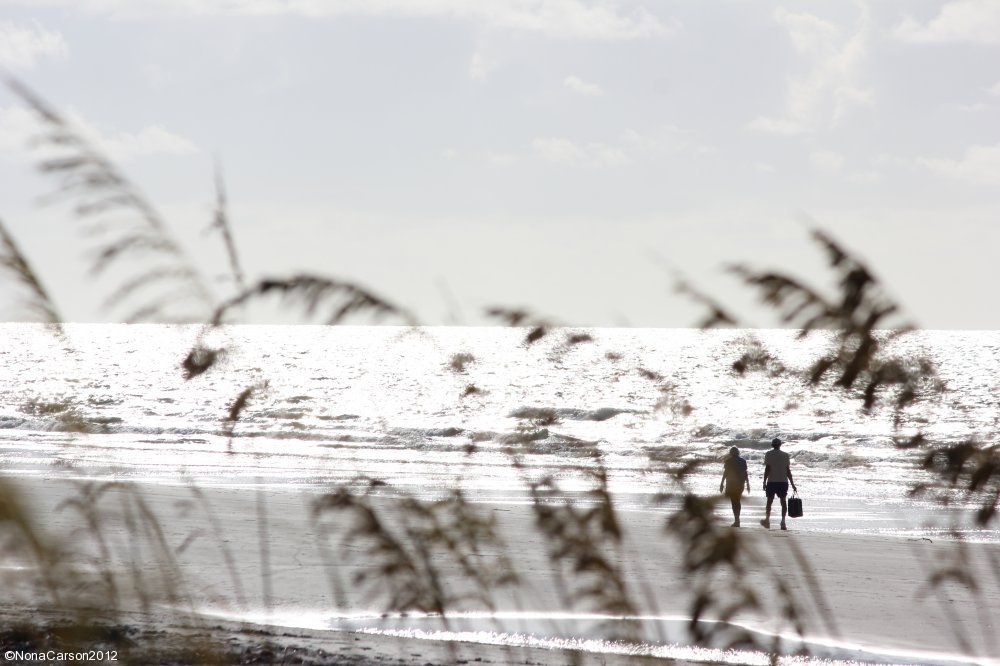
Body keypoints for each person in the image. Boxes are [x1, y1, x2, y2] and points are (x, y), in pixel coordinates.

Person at [760, 437, 797, 530]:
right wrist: (792, 484)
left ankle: (767, 520)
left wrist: (764, 481)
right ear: (780, 445)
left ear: (772, 445)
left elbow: (767, 469)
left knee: (769, 502)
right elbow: (788, 470)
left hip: (772, 481)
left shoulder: (768, 454)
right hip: (783, 481)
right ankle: (783, 522)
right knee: (783, 501)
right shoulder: (785, 455)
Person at [719, 446, 750, 527]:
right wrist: (748, 484)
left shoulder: (728, 461)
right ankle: (737, 519)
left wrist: (722, 483)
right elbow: (745, 473)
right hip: (740, 484)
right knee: (737, 500)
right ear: (738, 453)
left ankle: (737, 520)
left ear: (731, 453)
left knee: (734, 502)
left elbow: (725, 473)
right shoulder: (743, 461)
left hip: (731, 484)